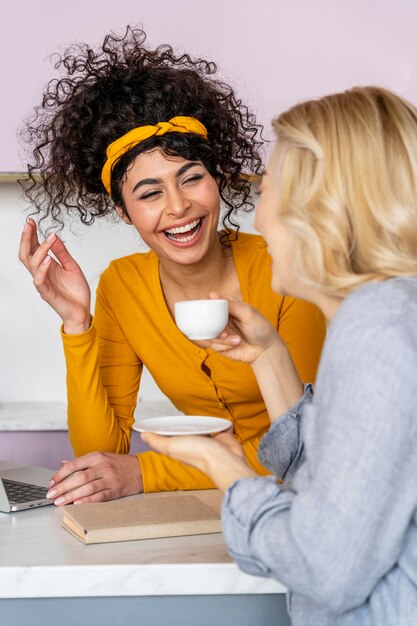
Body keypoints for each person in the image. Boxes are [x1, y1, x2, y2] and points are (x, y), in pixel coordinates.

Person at [142, 86, 417, 625]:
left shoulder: (380, 330)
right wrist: (268, 355)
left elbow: (322, 565)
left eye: (267, 191)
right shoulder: (388, 315)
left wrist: (222, 467)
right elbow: (332, 485)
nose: (259, 219)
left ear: (324, 204)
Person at [18, 27, 326, 505]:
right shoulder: (123, 284)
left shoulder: (287, 269)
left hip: (309, 501)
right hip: (223, 506)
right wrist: (77, 325)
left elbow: (304, 448)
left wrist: (147, 472)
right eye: (149, 193)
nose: (179, 207)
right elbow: (102, 452)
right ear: (123, 212)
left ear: (217, 179)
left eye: (191, 178)